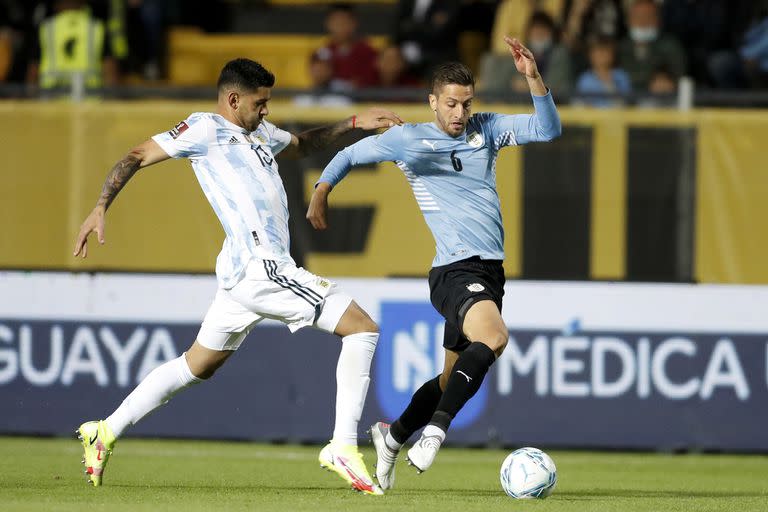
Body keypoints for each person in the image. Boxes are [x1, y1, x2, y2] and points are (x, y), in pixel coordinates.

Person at [72, 58, 403, 495]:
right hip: (261, 267)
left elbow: (302, 144)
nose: (266, 110)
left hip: (239, 274)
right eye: (260, 102)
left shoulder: (260, 132)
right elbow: (136, 155)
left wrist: (355, 122)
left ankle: (105, 430)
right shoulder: (204, 130)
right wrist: (100, 206)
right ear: (233, 99)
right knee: (362, 329)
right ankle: (342, 446)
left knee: (197, 365)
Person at [307, 37, 561, 488]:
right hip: (454, 271)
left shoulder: (487, 129)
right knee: (495, 336)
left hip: (489, 272)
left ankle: (393, 435)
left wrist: (533, 79)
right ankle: (435, 434)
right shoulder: (408, 140)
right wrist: (322, 190)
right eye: (450, 104)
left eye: (465, 103)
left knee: (450, 380)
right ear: (432, 102)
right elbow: (349, 154)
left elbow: (548, 130)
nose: (460, 114)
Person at [618, 0, 686, 91]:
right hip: (623, 98)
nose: (643, 22)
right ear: (628, 20)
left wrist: (669, 81)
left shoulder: (670, 45)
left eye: (648, 16)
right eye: (638, 17)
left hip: (661, 99)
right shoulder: (619, 47)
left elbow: (679, 74)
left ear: (658, 20)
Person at [574, 36, 631, 107]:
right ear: (591, 55)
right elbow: (580, 104)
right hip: (592, 117)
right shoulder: (585, 79)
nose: (602, 56)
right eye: (598, 52)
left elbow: (626, 103)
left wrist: (609, 84)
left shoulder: (621, 76)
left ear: (612, 55)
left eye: (605, 52)